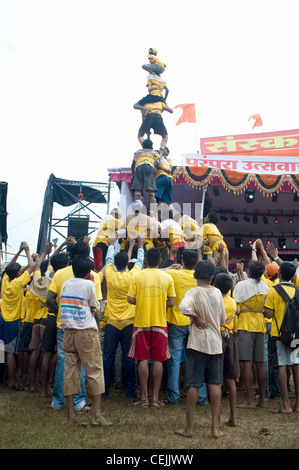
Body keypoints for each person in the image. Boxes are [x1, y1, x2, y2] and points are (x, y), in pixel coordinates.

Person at [46, 241, 103, 412]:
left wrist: (60, 311)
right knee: (86, 365)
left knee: (65, 363)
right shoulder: (92, 276)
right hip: (85, 327)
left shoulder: (60, 274)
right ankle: (79, 402)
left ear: (70, 255)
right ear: (87, 257)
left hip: (64, 326)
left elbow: (49, 299)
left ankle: (58, 401)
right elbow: (96, 305)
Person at [175, 260, 226, 439]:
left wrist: (195, 316)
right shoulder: (218, 292)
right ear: (212, 277)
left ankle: (189, 429)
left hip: (197, 344)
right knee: (214, 384)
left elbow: (182, 307)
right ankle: (215, 429)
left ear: (195, 275)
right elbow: (222, 320)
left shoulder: (193, 291)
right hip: (215, 343)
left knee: (193, 384)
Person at [60, 255, 111, 426]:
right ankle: (96, 415)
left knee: (70, 371)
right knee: (94, 371)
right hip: (86, 331)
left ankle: (70, 415)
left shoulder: (65, 284)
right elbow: (95, 307)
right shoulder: (89, 284)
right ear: (89, 272)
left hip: (68, 332)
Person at [127, 247, 176, 408]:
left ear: (145, 260)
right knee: (158, 359)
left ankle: (143, 398)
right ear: (160, 261)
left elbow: (130, 299)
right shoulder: (166, 277)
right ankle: (155, 398)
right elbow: (172, 302)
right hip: (160, 322)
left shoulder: (137, 276)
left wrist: (142, 300)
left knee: (141, 359)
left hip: (141, 321)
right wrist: (160, 302)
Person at [102, 236, 144, 399]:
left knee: (108, 356)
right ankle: (131, 390)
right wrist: (140, 245)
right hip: (129, 321)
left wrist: (111, 245)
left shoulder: (110, 274)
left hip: (112, 321)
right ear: (127, 264)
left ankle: (104, 389)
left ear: (114, 265)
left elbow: (108, 259)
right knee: (129, 357)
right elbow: (140, 262)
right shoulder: (133, 275)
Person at [164, 249, 199, 405]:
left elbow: (153, 272)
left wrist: (169, 268)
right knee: (198, 359)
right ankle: (201, 397)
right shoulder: (200, 277)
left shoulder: (174, 274)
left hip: (176, 321)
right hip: (195, 322)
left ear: (182, 260)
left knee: (175, 360)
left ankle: (173, 396)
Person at [264, 261, 299, 413]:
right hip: (296, 335)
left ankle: (285, 405)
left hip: (279, 335)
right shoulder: (297, 291)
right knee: (296, 366)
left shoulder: (273, 291)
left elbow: (269, 313)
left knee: (282, 366)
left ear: (279, 274)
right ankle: (298, 404)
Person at [233, 260, 269, 408]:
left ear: (250, 272)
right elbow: (267, 309)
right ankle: (262, 399)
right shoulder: (265, 286)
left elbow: (236, 307)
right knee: (260, 363)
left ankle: (250, 401)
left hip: (245, 324)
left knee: (247, 363)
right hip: (260, 324)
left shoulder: (241, 285)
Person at [0, 242, 35, 390]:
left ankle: (3, 377)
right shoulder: (18, 284)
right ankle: (12, 382)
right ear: (18, 274)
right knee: (10, 352)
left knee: (2, 349)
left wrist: (19, 250)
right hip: (12, 321)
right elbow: (32, 267)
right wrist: (26, 251)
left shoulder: (5, 282)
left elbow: (9, 269)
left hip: (2, 318)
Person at [214, 273, 240, 427]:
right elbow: (236, 312)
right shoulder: (232, 302)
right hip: (229, 338)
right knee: (231, 379)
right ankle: (233, 416)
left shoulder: (215, 301)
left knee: (216, 379)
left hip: (217, 339)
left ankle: (216, 418)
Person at [131, 139, 160, 210]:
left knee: (137, 192)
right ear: (152, 146)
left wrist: (133, 174)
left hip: (138, 167)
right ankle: (152, 214)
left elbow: (133, 164)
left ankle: (136, 212)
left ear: (142, 146)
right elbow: (157, 164)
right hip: (149, 166)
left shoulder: (137, 152)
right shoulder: (155, 153)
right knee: (151, 193)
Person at [155, 147, 173, 217]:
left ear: (168, 153)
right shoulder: (168, 161)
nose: (163, 150)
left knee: (156, 198)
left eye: (165, 149)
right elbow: (170, 169)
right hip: (169, 179)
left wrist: (164, 170)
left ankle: (157, 217)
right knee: (168, 202)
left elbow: (156, 164)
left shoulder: (160, 157)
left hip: (162, 178)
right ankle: (175, 216)